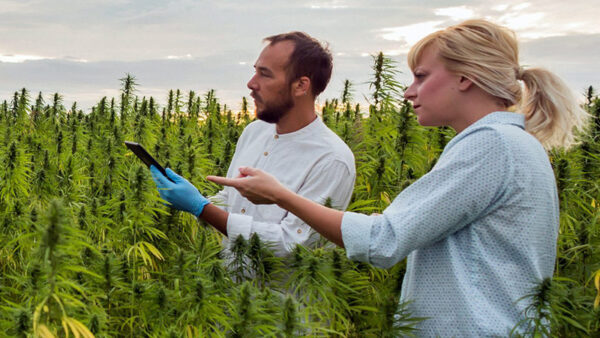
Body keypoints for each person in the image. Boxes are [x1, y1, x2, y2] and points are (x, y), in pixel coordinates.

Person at [206, 20, 589, 336]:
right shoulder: (510, 143)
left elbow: (383, 240)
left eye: (422, 76)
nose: (408, 92)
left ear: (465, 79)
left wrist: (280, 196)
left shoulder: (492, 146)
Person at [150, 32, 356, 258]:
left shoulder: (332, 159)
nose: (251, 83)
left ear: (300, 85)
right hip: (229, 288)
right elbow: (233, 202)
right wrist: (196, 200)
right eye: (255, 70)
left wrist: (202, 208)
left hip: (282, 293)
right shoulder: (254, 132)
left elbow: (292, 244)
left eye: (264, 74)